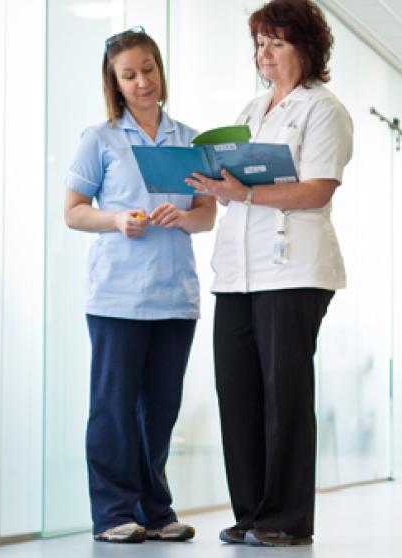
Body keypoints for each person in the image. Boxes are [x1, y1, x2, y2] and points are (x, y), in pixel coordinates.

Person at [185, 0, 353, 547]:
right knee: (237, 392)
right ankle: (252, 513)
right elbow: (239, 190)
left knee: (285, 396)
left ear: (307, 48)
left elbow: (317, 188)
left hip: (294, 269)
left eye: (276, 43)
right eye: (260, 44)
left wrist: (246, 192)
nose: (265, 54)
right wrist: (217, 187)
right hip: (238, 272)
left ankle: (286, 519)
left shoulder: (323, 109)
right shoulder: (253, 109)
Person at [64, 27, 216, 543]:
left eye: (148, 70)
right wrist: (116, 221)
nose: (142, 82)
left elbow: (207, 215)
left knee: (160, 409)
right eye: (129, 75)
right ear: (115, 83)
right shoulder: (99, 139)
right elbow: (73, 212)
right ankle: (112, 514)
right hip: (117, 297)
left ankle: (155, 510)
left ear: (159, 70)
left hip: (175, 298)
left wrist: (181, 217)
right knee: (113, 408)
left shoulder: (189, 139)